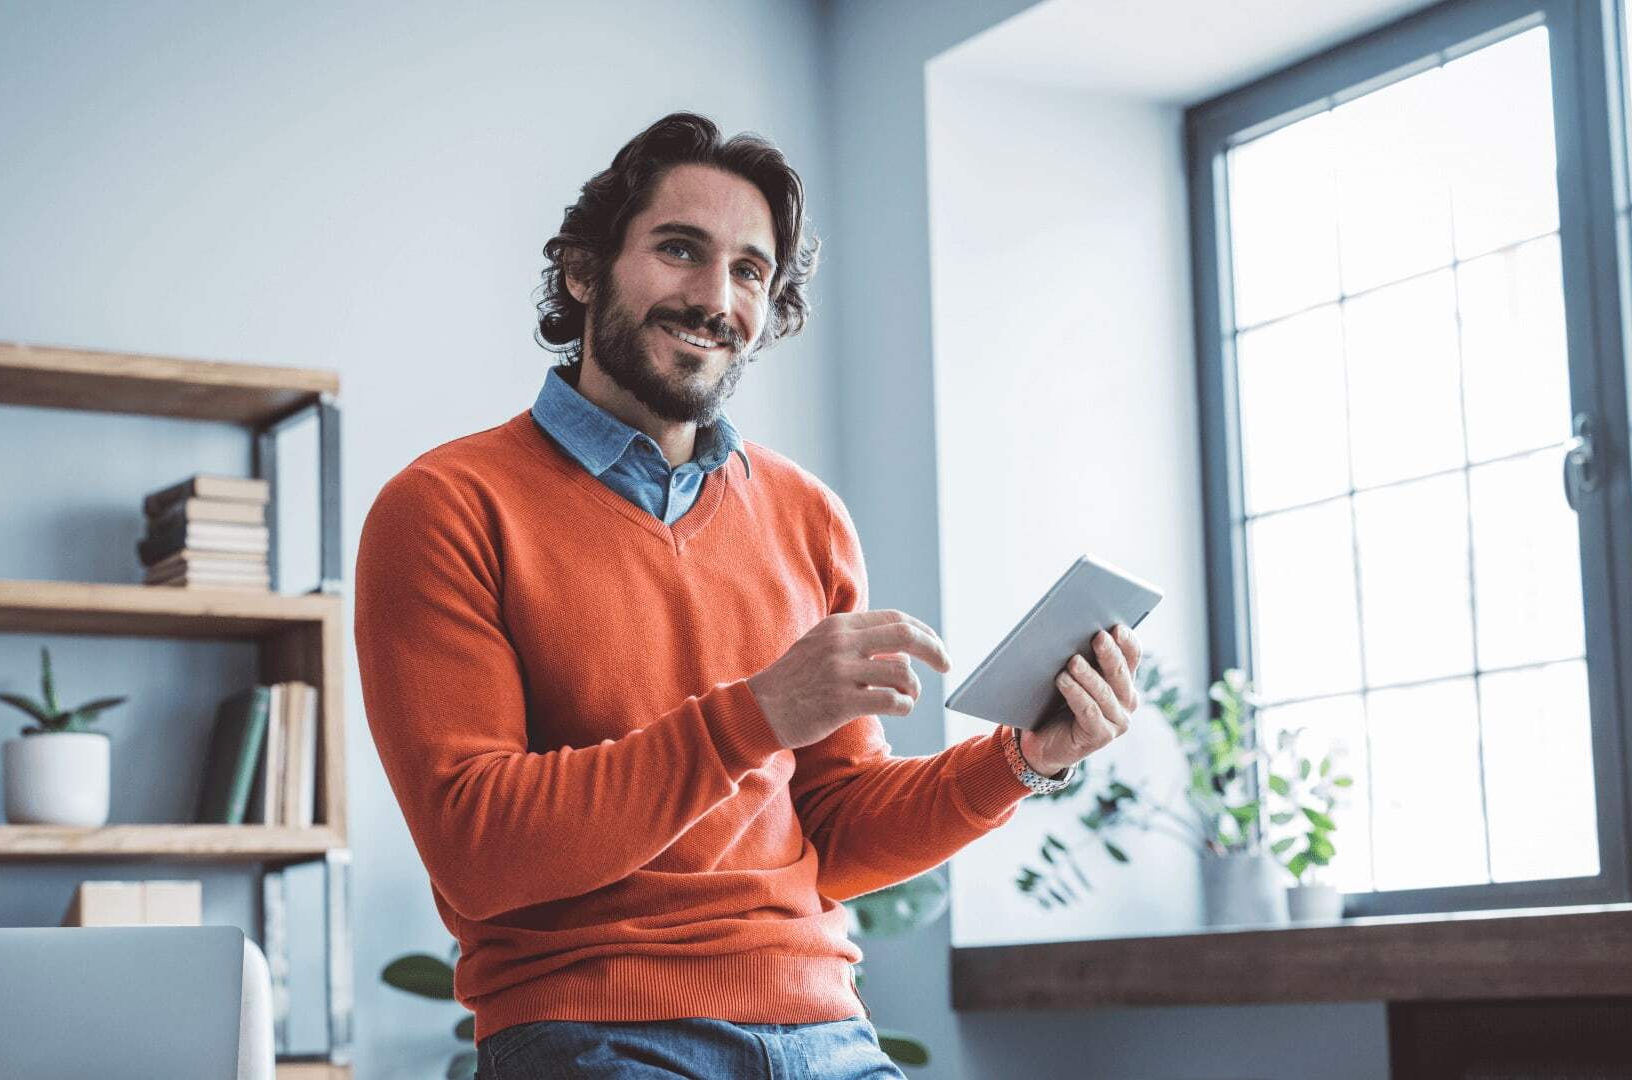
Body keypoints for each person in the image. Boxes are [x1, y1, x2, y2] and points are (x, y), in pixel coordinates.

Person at [354, 111, 1144, 1080]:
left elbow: (835, 828)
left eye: (749, 271)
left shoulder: (809, 515)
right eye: (680, 250)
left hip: (829, 1034)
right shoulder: (443, 508)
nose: (714, 296)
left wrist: (1022, 758)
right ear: (582, 271)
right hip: (592, 1033)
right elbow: (479, 845)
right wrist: (756, 714)